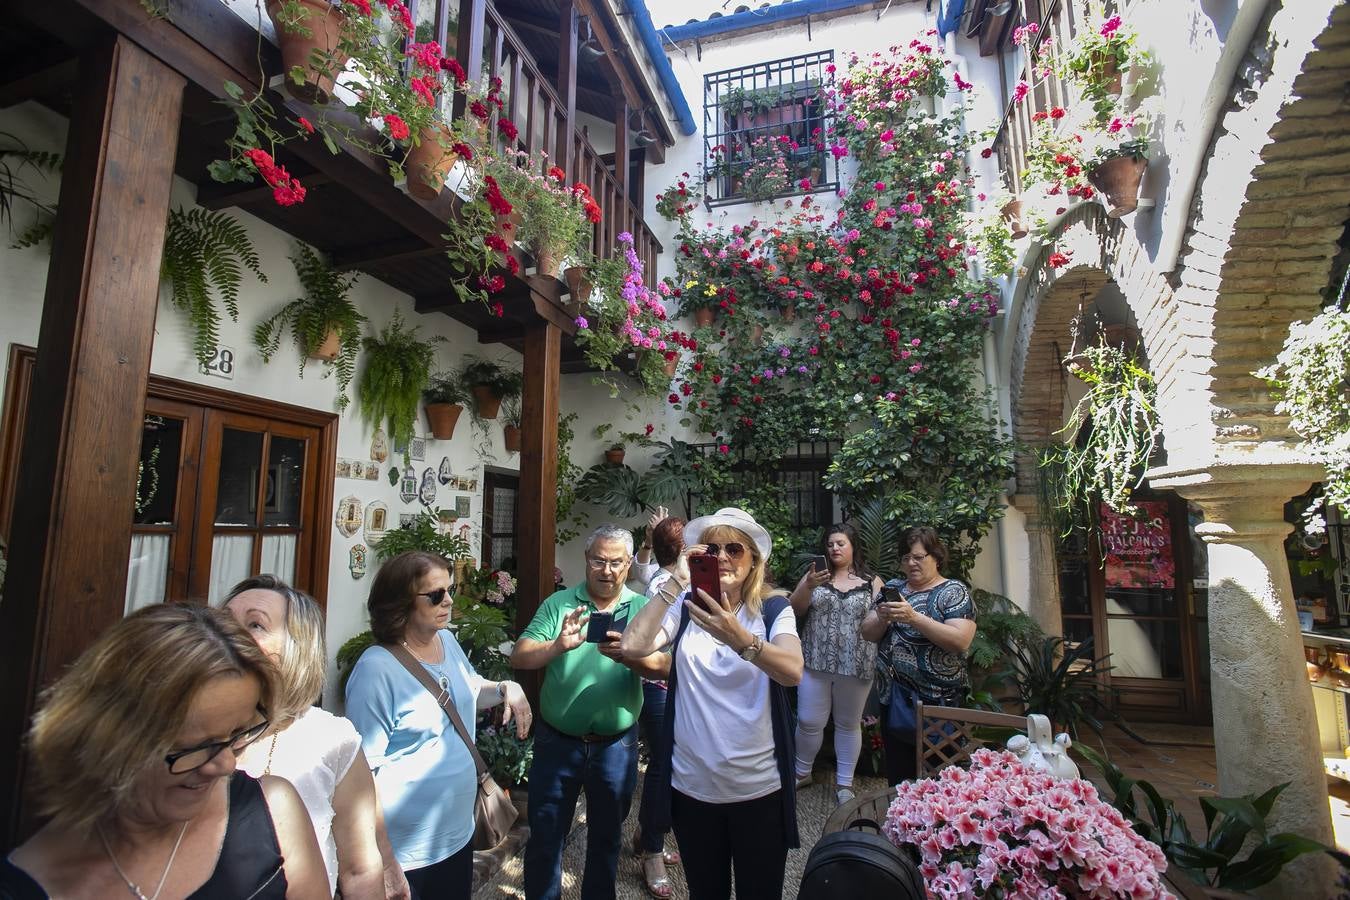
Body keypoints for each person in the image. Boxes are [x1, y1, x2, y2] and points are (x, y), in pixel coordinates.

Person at [0, 603, 329, 899]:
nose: (226, 764)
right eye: (197, 746)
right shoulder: (33, 884)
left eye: (236, 734)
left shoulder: (272, 814)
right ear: (110, 736)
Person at [621, 508, 804, 900]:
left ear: (754, 558)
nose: (721, 557)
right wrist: (678, 580)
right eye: (712, 548)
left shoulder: (773, 609)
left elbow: (792, 671)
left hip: (758, 791)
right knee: (705, 892)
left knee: (760, 892)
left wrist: (740, 638)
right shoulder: (686, 605)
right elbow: (633, 645)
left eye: (734, 549)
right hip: (693, 790)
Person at [345, 550, 531, 899]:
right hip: (408, 854)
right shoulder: (376, 671)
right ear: (399, 604)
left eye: (451, 590)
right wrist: (385, 862)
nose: (448, 601)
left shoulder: (445, 640)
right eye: (435, 595)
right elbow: (360, 778)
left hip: (455, 837)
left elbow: (470, 690)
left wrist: (507, 688)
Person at [222, 575, 410, 900]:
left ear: (297, 648)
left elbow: (360, 869)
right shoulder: (173, 732)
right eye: (223, 620)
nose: (227, 634)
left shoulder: (328, 739)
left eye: (255, 625)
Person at [511, 524, 670, 900]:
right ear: (586, 559)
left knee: (607, 839)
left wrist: (633, 657)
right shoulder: (560, 604)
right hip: (557, 742)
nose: (607, 570)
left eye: (616, 562)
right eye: (599, 560)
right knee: (547, 836)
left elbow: (665, 667)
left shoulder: (642, 609)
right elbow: (520, 655)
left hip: (616, 746)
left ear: (630, 564)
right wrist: (557, 646)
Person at [861, 526, 977, 785]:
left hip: (940, 705)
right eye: (906, 558)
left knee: (942, 779)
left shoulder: (953, 592)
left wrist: (914, 617)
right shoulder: (893, 587)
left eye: (918, 557)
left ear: (936, 557)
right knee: (900, 780)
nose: (911, 563)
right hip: (895, 700)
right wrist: (881, 616)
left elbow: (960, 641)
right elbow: (867, 632)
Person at [789, 523, 884, 806]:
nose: (835, 549)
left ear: (853, 545)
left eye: (841, 543)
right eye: (830, 544)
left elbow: (882, 616)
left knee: (847, 724)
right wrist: (808, 585)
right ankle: (801, 772)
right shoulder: (815, 576)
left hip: (855, 664)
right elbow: (794, 608)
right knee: (808, 721)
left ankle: (845, 784)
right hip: (814, 661)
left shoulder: (872, 581)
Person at [633, 514, 687, 899]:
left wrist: (652, 536)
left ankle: (645, 834)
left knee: (664, 761)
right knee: (663, 762)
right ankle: (651, 848)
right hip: (659, 684)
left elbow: (639, 565)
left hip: (664, 682)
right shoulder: (671, 584)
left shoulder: (654, 574)